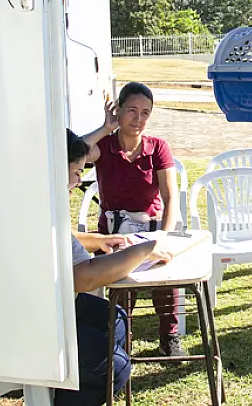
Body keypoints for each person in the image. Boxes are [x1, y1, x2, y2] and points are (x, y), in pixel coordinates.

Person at [61, 128, 173, 406]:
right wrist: (143, 250)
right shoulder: (41, 206)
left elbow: (65, 238)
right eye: (75, 173)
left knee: (117, 320)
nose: (78, 181)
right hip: (43, 315)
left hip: (60, 302)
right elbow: (84, 278)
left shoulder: (45, 199)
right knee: (116, 367)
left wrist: (99, 240)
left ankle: (66, 386)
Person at [80, 82, 185, 357]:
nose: (138, 119)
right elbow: (73, 152)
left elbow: (170, 197)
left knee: (165, 274)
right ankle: (121, 338)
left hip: (150, 229)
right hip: (114, 235)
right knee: (122, 283)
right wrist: (106, 128)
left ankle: (169, 337)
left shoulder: (157, 148)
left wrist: (162, 236)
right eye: (132, 110)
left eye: (145, 113)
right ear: (119, 109)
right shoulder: (105, 146)